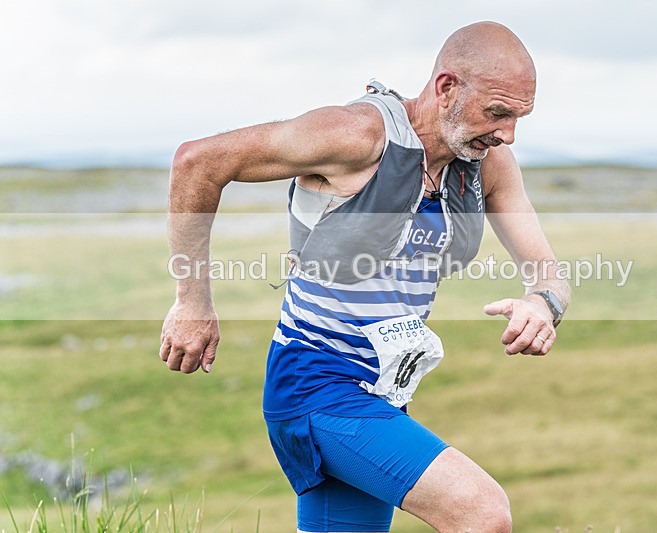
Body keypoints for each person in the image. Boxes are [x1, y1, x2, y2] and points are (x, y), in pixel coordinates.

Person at [160, 21, 570, 533]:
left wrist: (542, 302)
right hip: (316, 386)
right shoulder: (356, 135)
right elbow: (197, 161)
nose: (507, 134)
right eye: (497, 113)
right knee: (482, 514)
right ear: (447, 88)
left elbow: (548, 271)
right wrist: (192, 302)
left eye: (518, 118)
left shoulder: (487, 165)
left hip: (385, 392)